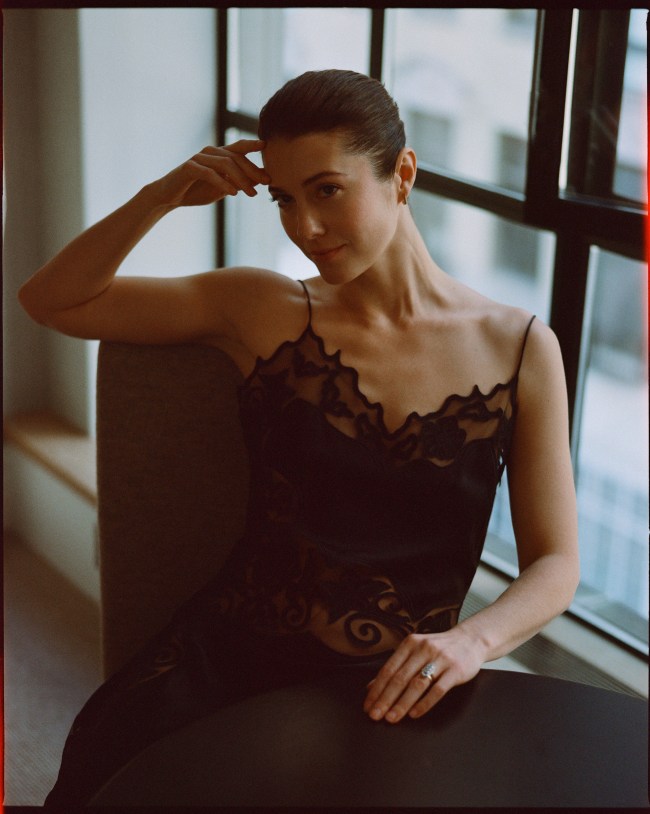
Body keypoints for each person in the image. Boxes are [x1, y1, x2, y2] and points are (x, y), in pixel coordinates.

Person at [19, 69, 579, 806]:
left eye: (327, 190)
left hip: (392, 692)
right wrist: (162, 195)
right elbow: (51, 299)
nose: (305, 226)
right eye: (284, 198)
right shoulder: (263, 308)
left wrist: (472, 640)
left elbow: (557, 561)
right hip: (225, 676)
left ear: (402, 174)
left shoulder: (520, 348)